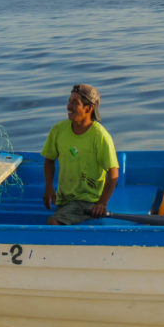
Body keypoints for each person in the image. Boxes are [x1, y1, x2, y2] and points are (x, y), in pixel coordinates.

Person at [41, 84, 119, 225]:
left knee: (53, 223)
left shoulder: (100, 136)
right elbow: (49, 160)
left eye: (75, 103)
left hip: (88, 200)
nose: (68, 107)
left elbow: (113, 174)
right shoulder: (58, 130)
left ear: (89, 108)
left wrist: (101, 203)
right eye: (69, 101)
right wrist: (48, 187)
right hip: (64, 199)